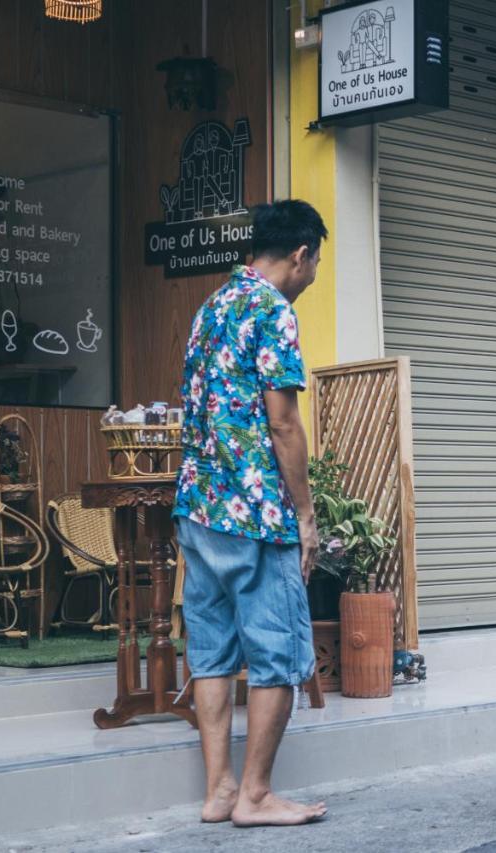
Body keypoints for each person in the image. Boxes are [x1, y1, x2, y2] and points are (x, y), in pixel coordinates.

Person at [173, 199, 328, 827]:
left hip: (199, 506)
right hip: (255, 511)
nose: (314, 275)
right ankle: (257, 796)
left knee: (210, 652)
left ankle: (220, 791)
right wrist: (307, 515)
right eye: (315, 262)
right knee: (277, 655)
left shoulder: (210, 308)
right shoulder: (274, 310)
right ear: (298, 255)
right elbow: (284, 421)